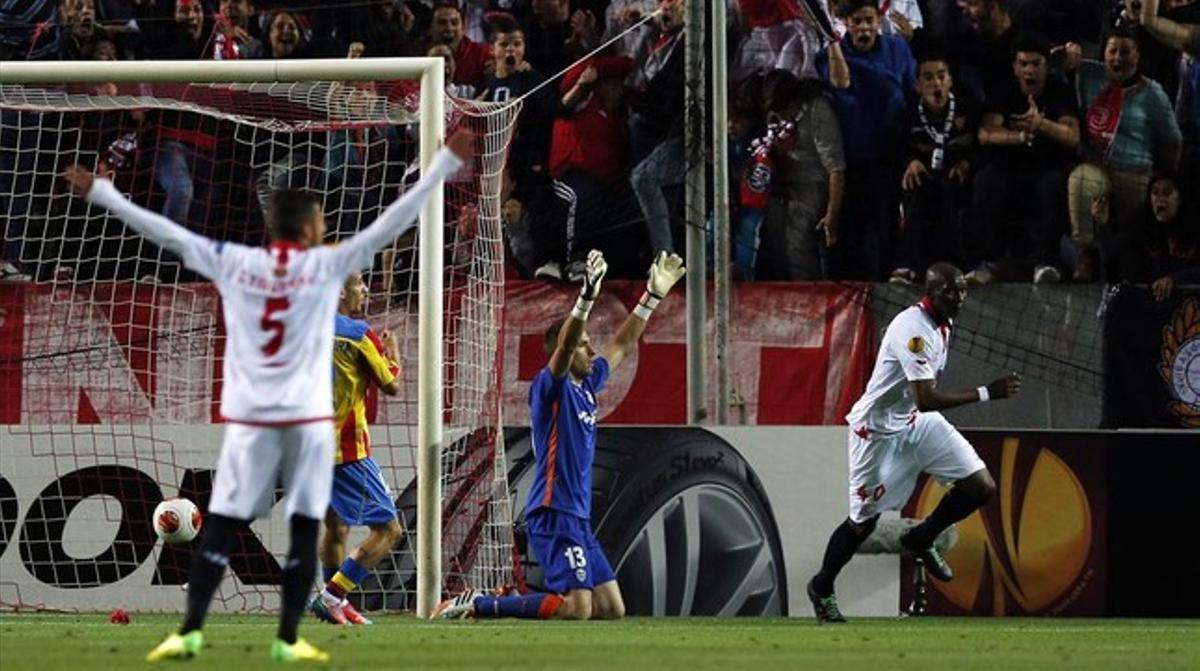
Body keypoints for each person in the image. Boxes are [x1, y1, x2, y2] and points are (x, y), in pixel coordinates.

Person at [62, 130, 473, 662]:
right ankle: (287, 638)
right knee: (306, 526)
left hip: (251, 418)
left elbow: (166, 232)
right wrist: (439, 167)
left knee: (231, 519)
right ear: (308, 230)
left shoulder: (237, 263)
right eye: (322, 223)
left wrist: (104, 195)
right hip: (304, 423)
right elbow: (390, 223)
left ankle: (189, 630)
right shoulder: (324, 267)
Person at [435, 250, 686, 620]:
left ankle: (505, 603)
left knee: (611, 608)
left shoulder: (587, 386)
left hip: (577, 516)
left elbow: (620, 345)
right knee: (578, 608)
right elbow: (568, 345)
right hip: (553, 510)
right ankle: (476, 604)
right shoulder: (550, 388)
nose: (591, 349)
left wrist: (651, 297)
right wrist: (584, 299)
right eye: (585, 344)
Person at [806, 262, 1021, 623]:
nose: (959, 297)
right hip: (875, 432)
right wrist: (988, 392)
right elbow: (926, 398)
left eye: (963, 290)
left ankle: (922, 537)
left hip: (914, 423)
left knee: (980, 486)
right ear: (930, 292)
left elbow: (918, 407)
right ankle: (822, 587)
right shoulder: (914, 332)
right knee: (863, 523)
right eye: (950, 291)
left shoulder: (944, 322)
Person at [308, 273, 404, 627]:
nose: (365, 289)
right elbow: (390, 385)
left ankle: (336, 603)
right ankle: (332, 596)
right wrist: (392, 354)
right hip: (347, 453)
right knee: (389, 531)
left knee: (337, 528)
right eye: (360, 282)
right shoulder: (358, 333)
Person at [970, 32, 1079, 284]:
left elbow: (1072, 135)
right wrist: (1020, 137)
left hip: (1046, 167)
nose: (1030, 70)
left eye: (1036, 64)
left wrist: (1041, 124)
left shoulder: (1060, 91)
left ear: (1046, 66)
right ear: (1015, 68)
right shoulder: (1004, 90)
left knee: (1054, 184)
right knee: (986, 181)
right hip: (1007, 167)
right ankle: (984, 263)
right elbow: (986, 133)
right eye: (1024, 64)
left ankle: (1046, 263)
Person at [891, 47, 977, 284]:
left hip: (956, 177)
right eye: (928, 77)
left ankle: (962, 265)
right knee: (915, 190)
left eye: (941, 76)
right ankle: (906, 265)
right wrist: (910, 162)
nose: (936, 83)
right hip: (923, 177)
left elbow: (980, 147)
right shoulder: (907, 115)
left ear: (950, 81)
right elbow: (896, 150)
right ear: (918, 84)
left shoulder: (968, 109)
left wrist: (967, 162)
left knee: (951, 194)